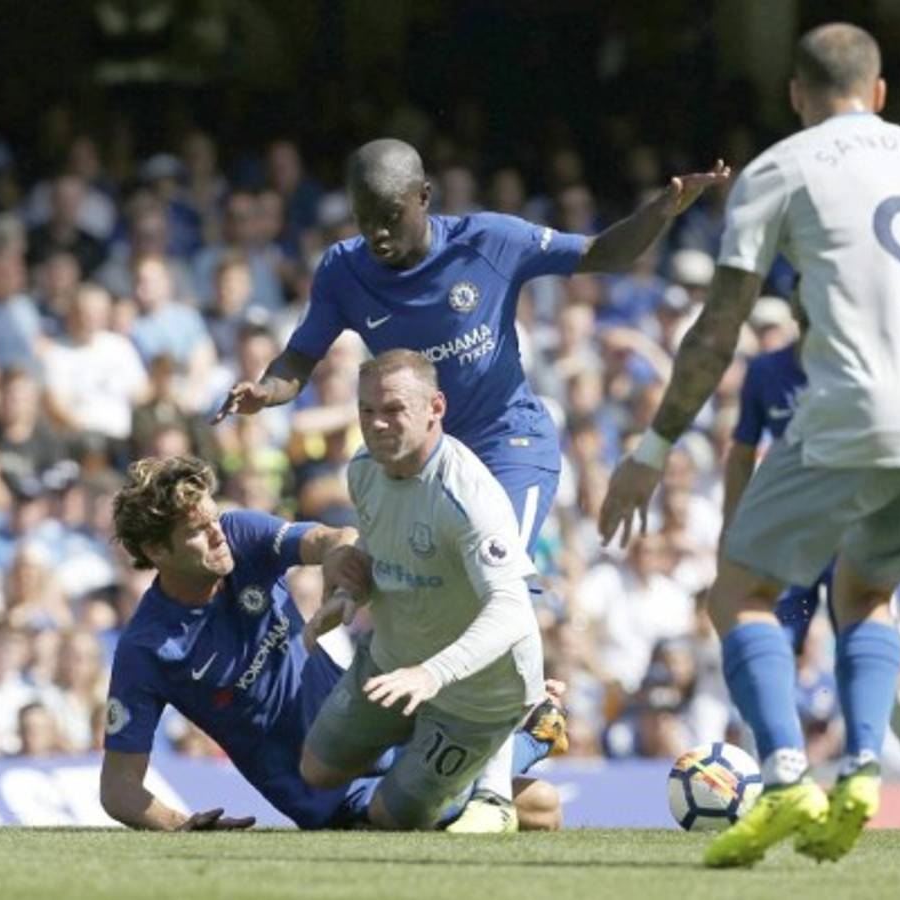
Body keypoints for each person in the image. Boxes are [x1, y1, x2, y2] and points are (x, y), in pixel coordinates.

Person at [598, 22, 900, 867]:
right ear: (878, 93)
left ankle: (782, 777)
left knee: (735, 592)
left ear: (795, 95)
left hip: (853, 411)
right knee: (867, 594)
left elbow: (717, 329)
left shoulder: (781, 167)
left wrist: (653, 449)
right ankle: (861, 770)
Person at [214, 136, 727, 819]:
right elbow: (300, 356)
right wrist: (266, 392)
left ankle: (514, 735)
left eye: (390, 215)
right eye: (364, 216)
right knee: (413, 598)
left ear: (424, 199)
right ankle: (476, 744)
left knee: (496, 585)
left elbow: (600, 253)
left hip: (507, 446)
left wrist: (660, 211)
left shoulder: (490, 241)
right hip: (417, 459)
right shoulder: (343, 270)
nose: (377, 232)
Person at [99, 454, 563, 832]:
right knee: (525, 806)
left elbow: (334, 536)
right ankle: (530, 736)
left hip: (374, 727)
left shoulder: (239, 537)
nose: (216, 533)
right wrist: (180, 824)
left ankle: (522, 735)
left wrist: (338, 574)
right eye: (197, 532)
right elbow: (119, 787)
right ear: (157, 551)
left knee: (542, 806)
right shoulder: (149, 647)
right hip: (325, 793)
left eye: (212, 517)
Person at [723, 301, 900, 829]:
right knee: (767, 654)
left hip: (854, 544)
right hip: (791, 547)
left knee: (887, 661)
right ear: (800, 316)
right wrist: (735, 532)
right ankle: (776, 784)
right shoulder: (767, 372)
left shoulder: (863, 368)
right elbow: (741, 452)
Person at [298, 350, 547, 833]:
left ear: (436, 407)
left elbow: (514, 610)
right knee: (317, 770)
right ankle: (439, 763)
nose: (377, 424)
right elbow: (380, 546)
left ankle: (521, 738)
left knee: (391, 816)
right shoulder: (364, 469)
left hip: (476, 690)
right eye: (366, 411)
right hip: (395, 663)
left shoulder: (468, 496)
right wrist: (351, 591)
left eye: (393, 410)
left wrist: (433, 675)